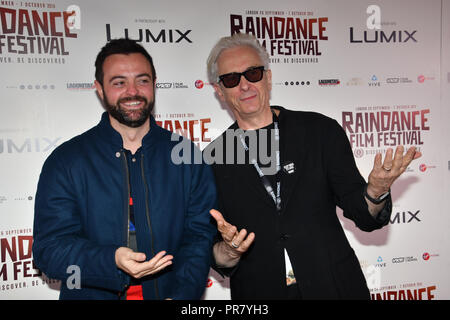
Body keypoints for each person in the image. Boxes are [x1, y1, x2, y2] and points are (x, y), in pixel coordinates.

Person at [204, 33, 421, 300]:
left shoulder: (319, 131)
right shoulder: (212, 159)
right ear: (219, 91)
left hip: (334, 286)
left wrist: (375, 190)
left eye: (253, 73)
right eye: (231, 79)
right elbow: (215, 252)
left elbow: (363, 215)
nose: (245, 85)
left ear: (268, 77)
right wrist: (230, 251)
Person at [32, 38, 217, 300]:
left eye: (142, 80)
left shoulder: (185, 155)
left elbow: (198, 239)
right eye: (119, 82)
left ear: (154, 83)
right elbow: (49, 252)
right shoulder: (66, 161)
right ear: (99, 88)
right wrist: (111, 260)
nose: (133, 91)